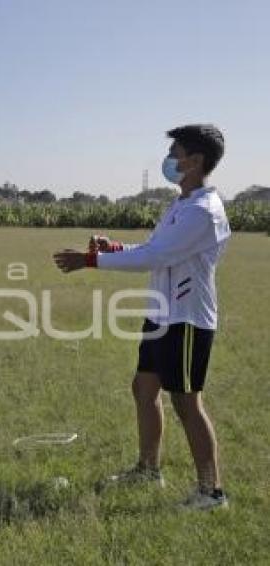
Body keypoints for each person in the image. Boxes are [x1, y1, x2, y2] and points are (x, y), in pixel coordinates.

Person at [53, 124, 230, 510]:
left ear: (196, 161)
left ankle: (211, 492)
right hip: (162, 316)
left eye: (176, 152)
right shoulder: (182, 204)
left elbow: (154, 257)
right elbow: (154, 247)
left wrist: (90, 260)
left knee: (186, 402)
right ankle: (148, 469)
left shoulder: (203, 211)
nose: (169, 160)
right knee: (144, 389)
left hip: (186, 321)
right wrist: (114, 247)